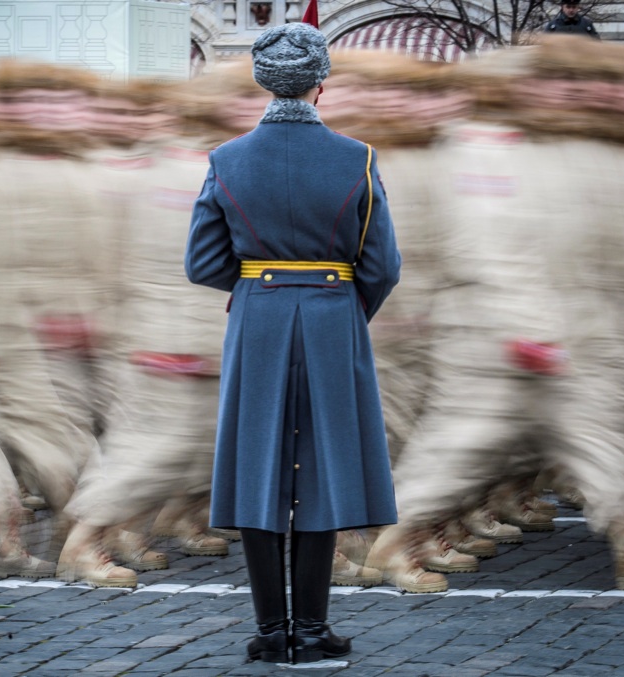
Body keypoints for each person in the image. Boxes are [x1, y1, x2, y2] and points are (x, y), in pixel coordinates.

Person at [184, 22, 401, 664]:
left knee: (258, 467)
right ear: (320, 85)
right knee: (325, 464)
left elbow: (202, 262)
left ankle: (271, 633)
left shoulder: (225, 160)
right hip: (335, 314)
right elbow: (382, 264)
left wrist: (260, 287)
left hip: (259, 317)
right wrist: (340, 304)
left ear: (262, 81)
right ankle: (311, 630)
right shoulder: (356, 157)